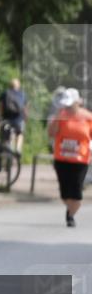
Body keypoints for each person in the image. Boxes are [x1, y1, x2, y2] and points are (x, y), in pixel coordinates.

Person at [47, 88, 92, 227]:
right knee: (64, 193)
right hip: (61, 159)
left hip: (81, 160)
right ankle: (69, 209)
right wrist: (56, 118)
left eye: (70, 104)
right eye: (65, 105)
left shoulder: (88, 117)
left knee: (76, 192)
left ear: (78, 102)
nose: (67, 107)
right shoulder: (61, 116)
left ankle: (70, 215)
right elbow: (51, 134)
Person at [0, 78, 28, 154]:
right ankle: (18, 149)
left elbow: (1, 107)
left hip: (6, 118)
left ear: (10, 85)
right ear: (18, 85)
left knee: (5, 135)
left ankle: (8, 147)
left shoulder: (5, 93)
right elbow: (25, 109)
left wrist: (0, 117)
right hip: (18, 118)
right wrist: (25, 118)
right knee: (20, 134)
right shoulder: (22, 94)